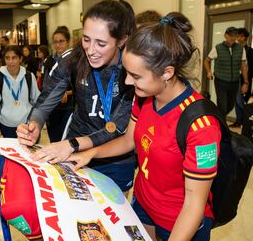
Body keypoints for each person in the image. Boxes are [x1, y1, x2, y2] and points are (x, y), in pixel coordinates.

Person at [56, 13, 221, 240]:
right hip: (143, 207)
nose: (127, 83)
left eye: (135, 76)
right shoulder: (144, 98)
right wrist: (90, 153)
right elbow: (129, 140)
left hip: (179, 223)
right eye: (126, 73)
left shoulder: (201, 126)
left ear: (167, 72)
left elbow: (194, 206)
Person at [17, 0, 137, 192]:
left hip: (116, 155)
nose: (91, 50)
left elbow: (117, 128)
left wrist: (71, 145)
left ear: (121, 40)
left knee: (111, 216)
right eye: (86, 39)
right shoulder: (73, 58)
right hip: (74, 148)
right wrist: (35, 124)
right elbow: (46, 100)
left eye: (101, 43)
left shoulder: (133, 68)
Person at [0, 45, 40, 138]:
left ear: (20, 58)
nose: (10, 62)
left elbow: (37, 101)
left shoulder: (29, 76)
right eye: (7, 58)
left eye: (14, 58)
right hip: (5, 127)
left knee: (28, 152)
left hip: (27, 126)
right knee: (7, 152)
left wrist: (35, 121)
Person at [204, 26, 249, 121]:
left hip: (235, 82)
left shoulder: (241, 49)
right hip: (221, 82)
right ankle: (222, 128)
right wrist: (209, 72)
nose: (233, 38)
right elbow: (207, 60)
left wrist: (246, 82)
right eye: (230, 35)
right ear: (225, 36)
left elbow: (243, 66)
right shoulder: (218, 48)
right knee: (223, 107)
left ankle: (217, 118)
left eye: (235, 35)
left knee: (230, 106)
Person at [43, 26, 75, 143]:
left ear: (68, 42)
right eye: (55, 42)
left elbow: (81, 87)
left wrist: (66, 92)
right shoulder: (48, 61)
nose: (58, 45)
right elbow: (45, 85)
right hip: (52, 108)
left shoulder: (75, 61)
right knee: (54, 140)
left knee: (66, 141)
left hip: (70, 108)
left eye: (61, 41)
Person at [230, 27, 253, 128]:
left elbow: (250, 67)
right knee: (236, 100)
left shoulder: (250, 51)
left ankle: (246, 120)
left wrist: (246, 82)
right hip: (235, 77)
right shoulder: (235, 50)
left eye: (240, 36)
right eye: (237, 36)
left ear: (245, 38)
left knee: (241, 100)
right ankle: (239, 121)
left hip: (244, 79)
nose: (238, 38)